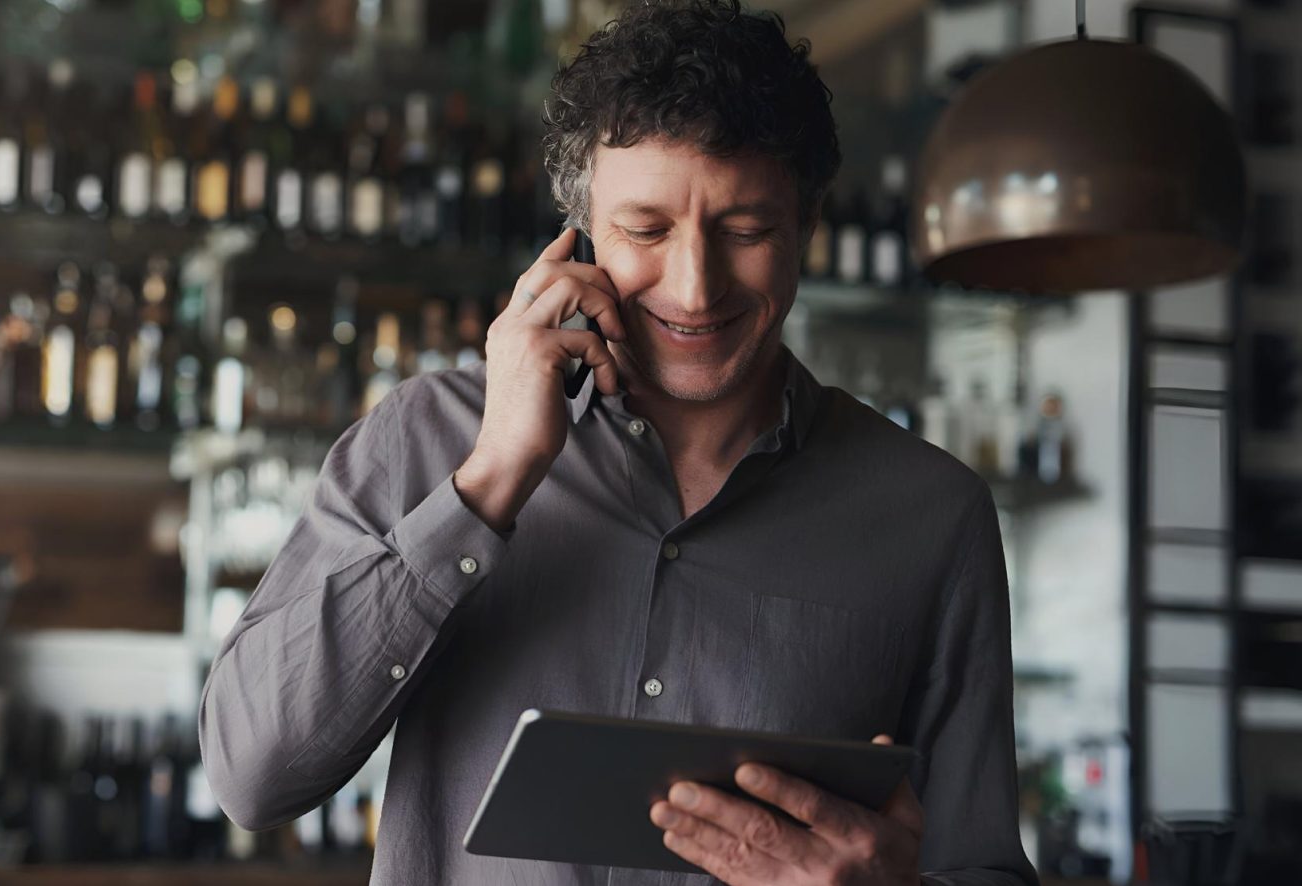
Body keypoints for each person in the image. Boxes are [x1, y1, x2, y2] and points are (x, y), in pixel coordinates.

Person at [199, 2, 1039, 884]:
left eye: (746, 231)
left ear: (808, 229)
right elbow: (252, 777)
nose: (695, 286)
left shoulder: (934, 518)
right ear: (581, 233)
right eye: (646, 230)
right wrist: (487, 484)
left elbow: (979, 865)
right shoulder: (426, 436)